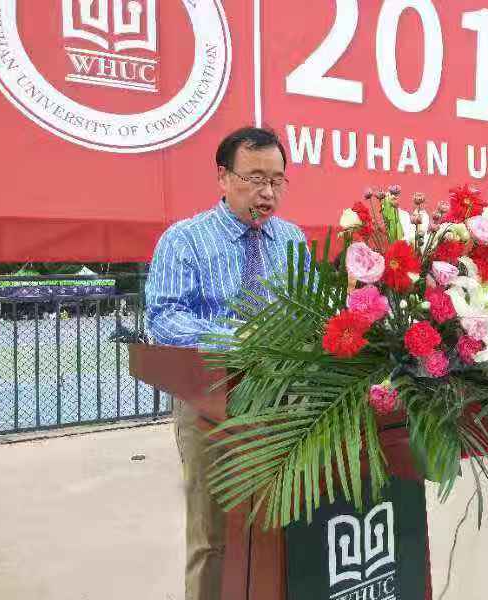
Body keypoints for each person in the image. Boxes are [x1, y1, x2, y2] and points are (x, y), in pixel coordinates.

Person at [145, 127, 308, 600]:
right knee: (214, 538)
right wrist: (243, 339)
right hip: (210, 404)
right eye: (255, 178)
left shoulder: (292, 239)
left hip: (284, 405)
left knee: (282, 525)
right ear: (223, 177)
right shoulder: (185, 239)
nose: (267, 192)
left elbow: (307, 312)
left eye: (276, 180)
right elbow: (164, 319)